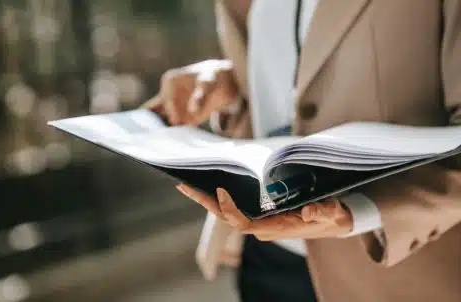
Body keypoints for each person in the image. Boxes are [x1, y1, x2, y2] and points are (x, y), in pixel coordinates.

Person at [146, 0, 461, 301]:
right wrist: (231, 82)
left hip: (395, 269)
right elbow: (298, 73)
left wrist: (363, 211)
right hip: (268, 260)